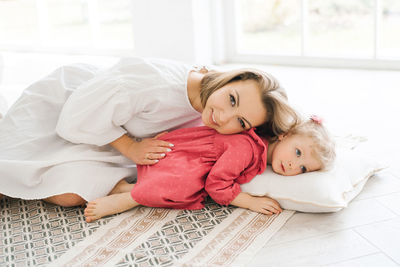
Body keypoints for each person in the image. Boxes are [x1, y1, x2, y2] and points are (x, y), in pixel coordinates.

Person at [0, 57, 298, 207]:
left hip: (106, 132)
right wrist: (128, 146)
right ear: (232, 78)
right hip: (66, 111)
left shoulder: (215, 105)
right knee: (24, 176)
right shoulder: (151, 86)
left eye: (242, 122)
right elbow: (72, 119)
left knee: (72, 193)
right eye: (232, 99)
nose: (224, 117)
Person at [84, 116, 336, 222]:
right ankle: (131, 196)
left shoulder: (258, 151)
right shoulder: (246, 148)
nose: (293, 165)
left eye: (302, 168)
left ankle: (126, 186)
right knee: (186, 187)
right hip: (179, 157)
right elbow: (216, 185)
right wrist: (247, 201)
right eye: (297, 152)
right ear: (284, 135)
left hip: (187, 159)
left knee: (190, 183)